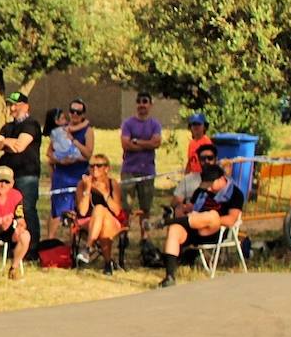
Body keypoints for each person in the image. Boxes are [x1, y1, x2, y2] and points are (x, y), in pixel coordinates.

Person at [159, 164, 243, 288]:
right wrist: (184, 209)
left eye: (210, 186)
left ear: (220, 179)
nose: (208, 190)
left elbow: (231, 219)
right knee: (174, 230)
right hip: (193, 227)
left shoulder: (235, 194)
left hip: (215, 230)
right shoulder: (201, 190)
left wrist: (207, 219)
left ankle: (167, 222)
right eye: (206, 187)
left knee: (211, 215)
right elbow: (192, 206)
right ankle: (170, 276)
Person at [0, 91, 42, 246]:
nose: (12, 108)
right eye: (10, 105)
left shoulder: (31, 124)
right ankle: (11, 242)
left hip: (26, 175)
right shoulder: (8, 126)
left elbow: (20, 146)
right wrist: (6, 141)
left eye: (15, 105)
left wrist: (4, 143)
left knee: (26, 210)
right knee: (8, 210)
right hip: (7, 177)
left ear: (26, 106)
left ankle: (31, 247)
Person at [45, 101, 93, 238]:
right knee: (57, 209)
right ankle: (51, 240)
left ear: (83, 114)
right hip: (62, 174)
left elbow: (88, 154)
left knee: (78, 209)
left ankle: (73, 241)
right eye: (72, 111)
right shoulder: (60, 130)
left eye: (78, 112)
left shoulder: (88, 131)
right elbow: (49, 153)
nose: (75, 115)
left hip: (79, 174)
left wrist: (75, 142)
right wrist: (60, 160)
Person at [120, 92, 162, 243]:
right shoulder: (128, 123)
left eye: (145, 101)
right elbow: (125, 144)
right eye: (139, 101)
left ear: (150, 104)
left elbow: (156, 143)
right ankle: (124, 234)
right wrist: (146, 144)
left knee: (145, 207)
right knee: (126, 206)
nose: (142, 105)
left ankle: (145, 237)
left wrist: (137, 142)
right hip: (129, 170)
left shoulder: (155, 124)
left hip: (147, 171)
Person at [74, 153, 125, 275]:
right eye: (91, 166)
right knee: (100, 214)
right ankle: (108, 264)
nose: (94, 169)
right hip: (90, 222)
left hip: (112, 220)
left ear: (106, 168)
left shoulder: (112, 184)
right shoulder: (82, 184)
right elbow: (82, 211)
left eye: (99, 166)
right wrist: (87, 189)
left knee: (101, 211)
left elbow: (117, 211)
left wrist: (105, 194)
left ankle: (88, 248)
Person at [171, 143, 221, 218]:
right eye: (203, 159)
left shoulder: (222, 181)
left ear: (216, 159)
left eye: (210, 158)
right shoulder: (188, 179)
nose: (206, 161)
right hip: (190, 217)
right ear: (199, 160)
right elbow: (175, 202)